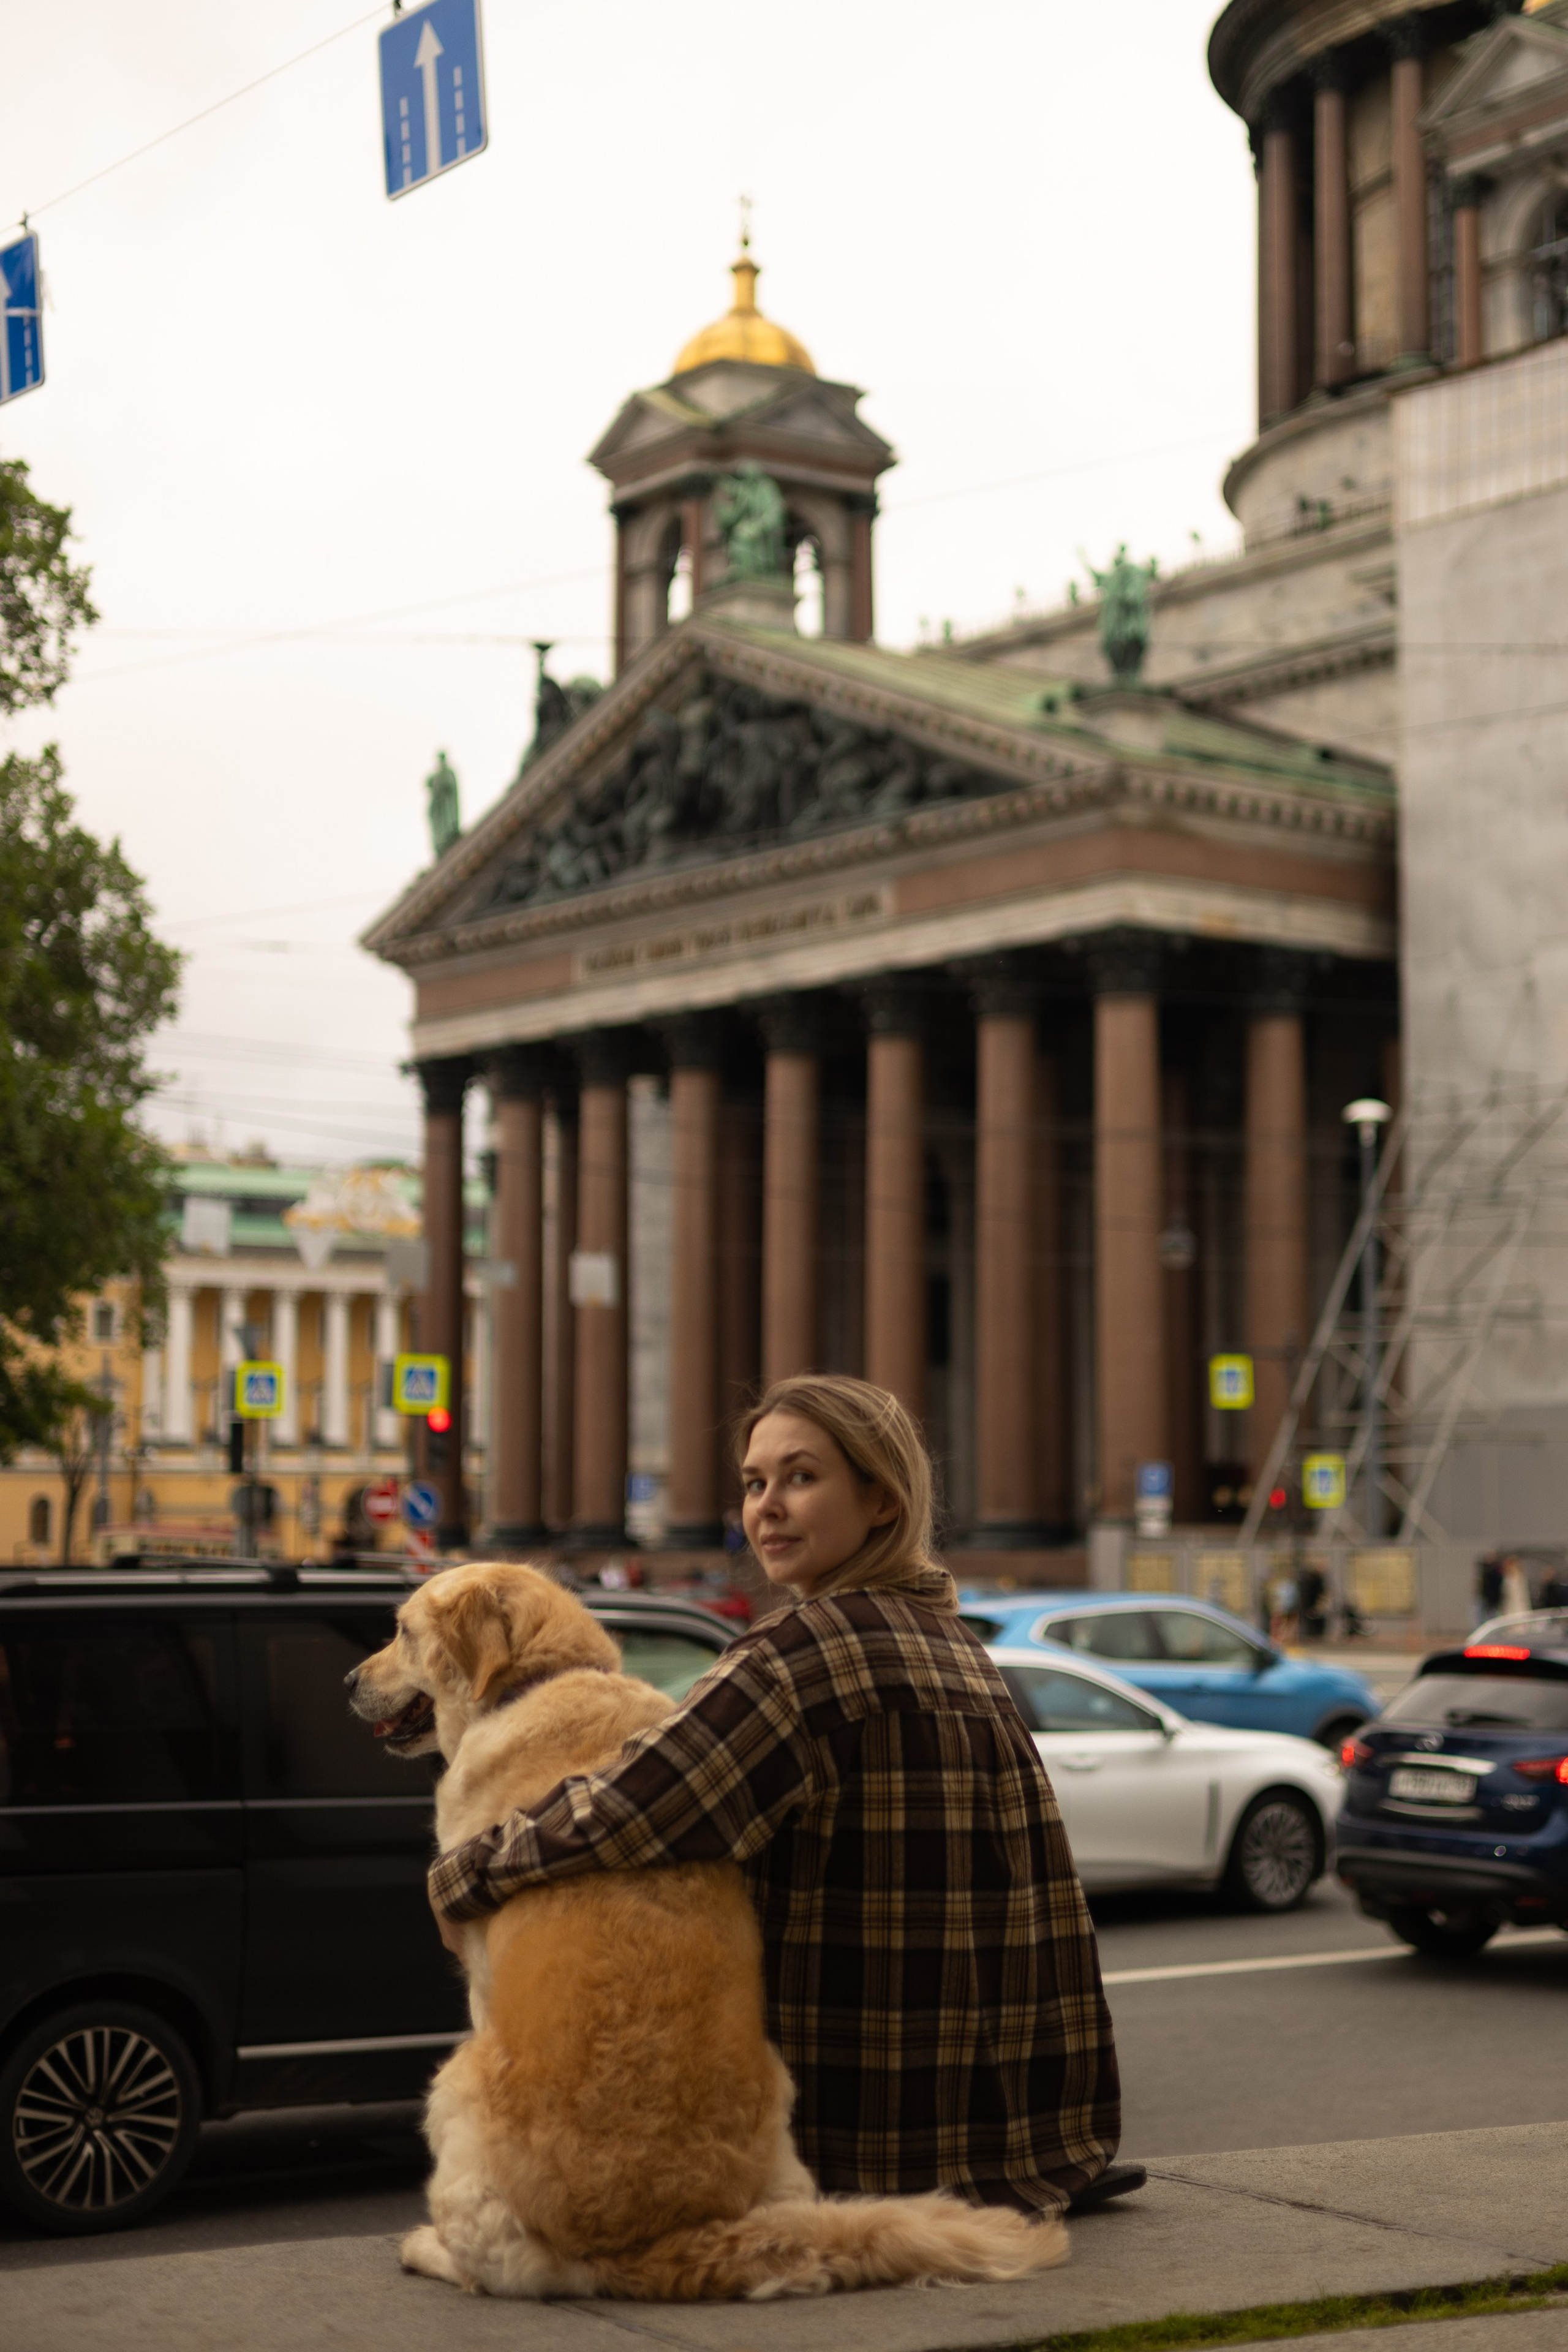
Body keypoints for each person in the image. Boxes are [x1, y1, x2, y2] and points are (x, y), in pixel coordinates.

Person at [428, 1373, 1131, 2218]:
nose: (767, 1507)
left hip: (857, 2150)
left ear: (882, 1500)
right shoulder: (960, 1650)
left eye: (801, 1478)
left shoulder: (805, 1652)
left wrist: (466, 1872)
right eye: (755, 1483)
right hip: (1017, 2145)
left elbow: (629, 1803)